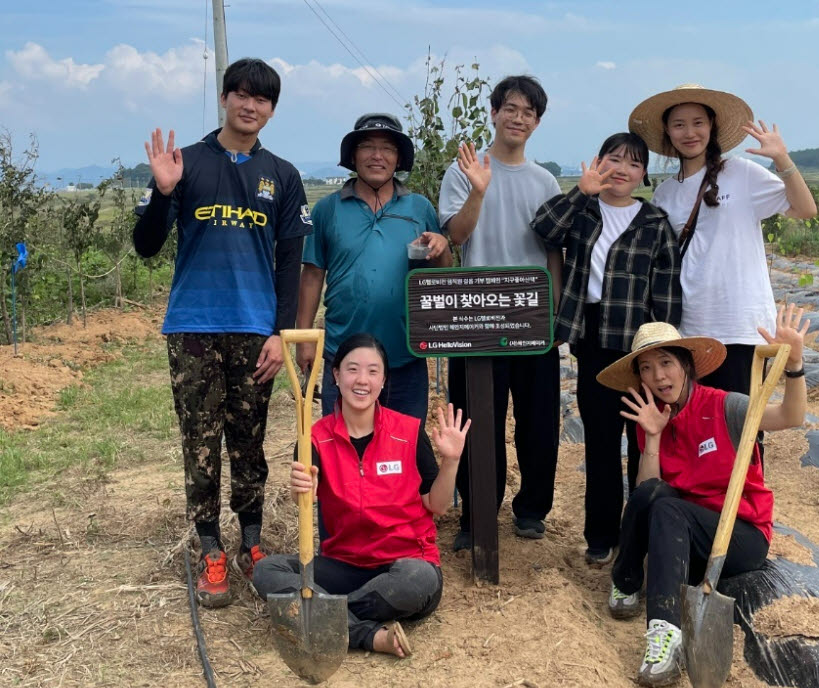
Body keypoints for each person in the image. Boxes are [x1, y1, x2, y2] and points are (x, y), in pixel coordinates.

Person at [132, 58, 312, 607]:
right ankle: (210, 547)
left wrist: (282, 333)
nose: (249, 105)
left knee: (248, 440)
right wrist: (163, 193)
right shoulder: (186, 163)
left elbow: (290, 261)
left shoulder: (281, 175)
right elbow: (145, 246)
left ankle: (251, 543)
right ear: (225, 98)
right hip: (193, 327)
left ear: (271, 110)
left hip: (255, 330)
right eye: (240, 94)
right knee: (201, 442)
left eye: (261, 99)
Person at [594, 303, 809, 687]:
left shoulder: (726, 406)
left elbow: (789, 417)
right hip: (687, 535)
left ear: (686, 365)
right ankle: (625, 581)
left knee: (670, 510)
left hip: (740, 533)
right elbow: (647, 493)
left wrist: (794, 366)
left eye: (665, 363)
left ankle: (666, 633)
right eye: (646, 368)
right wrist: (654, 437)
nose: (657, 376)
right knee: (653, 496)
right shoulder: (653, 415)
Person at [253, 333, 470, 657]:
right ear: (336, 375)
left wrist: (451, 461)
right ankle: (366, 634)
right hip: (344, 565)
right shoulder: (314, 440)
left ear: (383, 380)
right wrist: (303, 490)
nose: (362, 380)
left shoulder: (408, 432)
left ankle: (317, 614)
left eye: (373, 371)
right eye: (352, 369)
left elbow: (436, 505)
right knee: (266, 571)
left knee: (419, 580)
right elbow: (309, 497)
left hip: (403, 566)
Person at [531, 132, 681, 564]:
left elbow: (666, 292)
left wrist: (663, 351)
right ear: (599, 162)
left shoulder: (654, 222)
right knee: (599, 441)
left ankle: (641, 535)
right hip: (593, 340)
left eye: (633, 163)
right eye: (614, 159)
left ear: (643, 174)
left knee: (642, 440)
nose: (622, 169)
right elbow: (543, 227)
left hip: (640, 347)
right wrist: (580, 191)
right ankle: (600, 537)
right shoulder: (583, 211)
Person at [438, 75, 563, 551]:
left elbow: (553, 251)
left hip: (531, 318)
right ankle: (476, 513)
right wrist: (477, 191)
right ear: (493, 112)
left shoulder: (545, 180)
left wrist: (551, 310)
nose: (518, 118)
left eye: (528, 112)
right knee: (474, 419)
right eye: (510, 108)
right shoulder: (464, 170)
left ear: (536, 122)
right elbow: (459, 235)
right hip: (475, 318)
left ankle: (531, 509)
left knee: (537, 420)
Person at [628, 84, 817, 397]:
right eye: (679, 124)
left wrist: (782, 159)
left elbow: (805, 209)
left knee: (743, 428)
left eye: (698, 122)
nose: (690, 132)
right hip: (689, 328)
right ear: (668, 132)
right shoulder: (664, 194)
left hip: (742, 325)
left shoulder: (742, 173)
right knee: (699, 428)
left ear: (711, 127)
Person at [296, 113, 451, 422]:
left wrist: (442, 246)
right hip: (345, 356)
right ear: (353, 156)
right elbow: (313, 275)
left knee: (404, 450)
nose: (377, 156)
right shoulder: (328, 208)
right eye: (367, 146)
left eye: (388, 148)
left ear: (398, 159)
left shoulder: (419, 207)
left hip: (406, 354)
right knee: (345, 450)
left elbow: (439, 274)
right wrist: (304, 338)